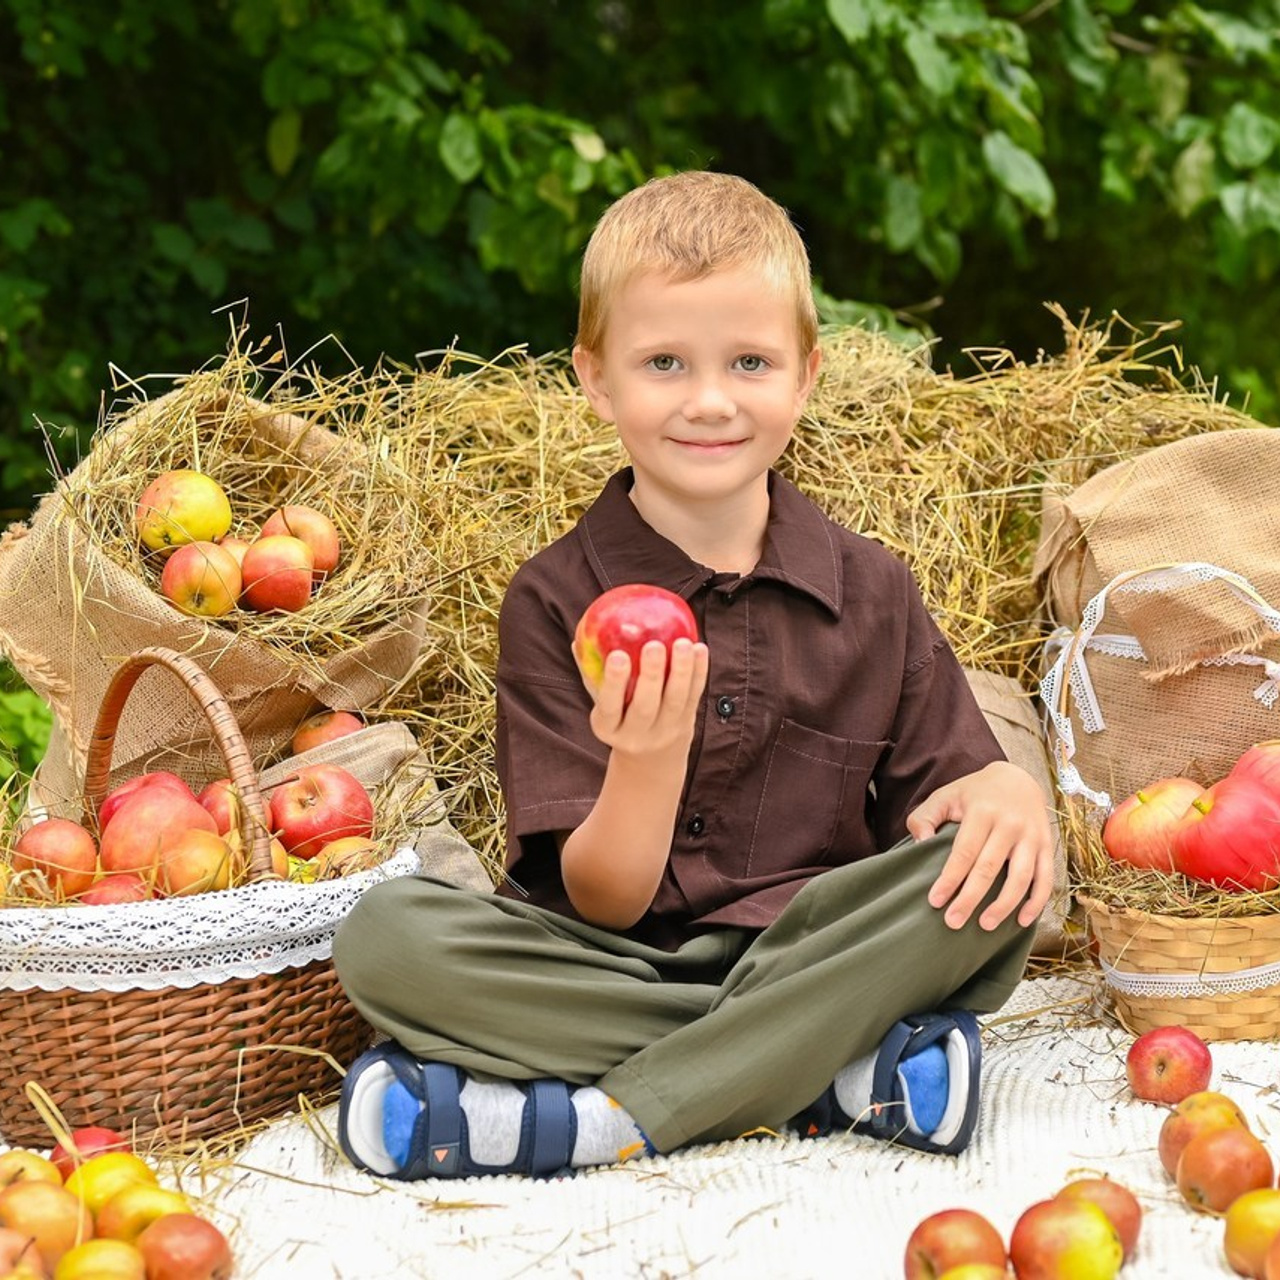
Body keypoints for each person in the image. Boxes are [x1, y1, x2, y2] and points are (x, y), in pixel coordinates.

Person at [332, 170, 1054, 1181]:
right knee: (386, 936)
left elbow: (951, 800)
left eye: (748, 361)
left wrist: (1007, 791)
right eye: (663, 362)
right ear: (596, 379)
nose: (708, 400)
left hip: (815, 942)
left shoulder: (873, 591)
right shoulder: (553, 600)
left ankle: (605, 1119)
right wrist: (646, 757)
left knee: (993, 885)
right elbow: (603, 900)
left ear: (804, 374)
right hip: (600, 964)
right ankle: (820, 1070)